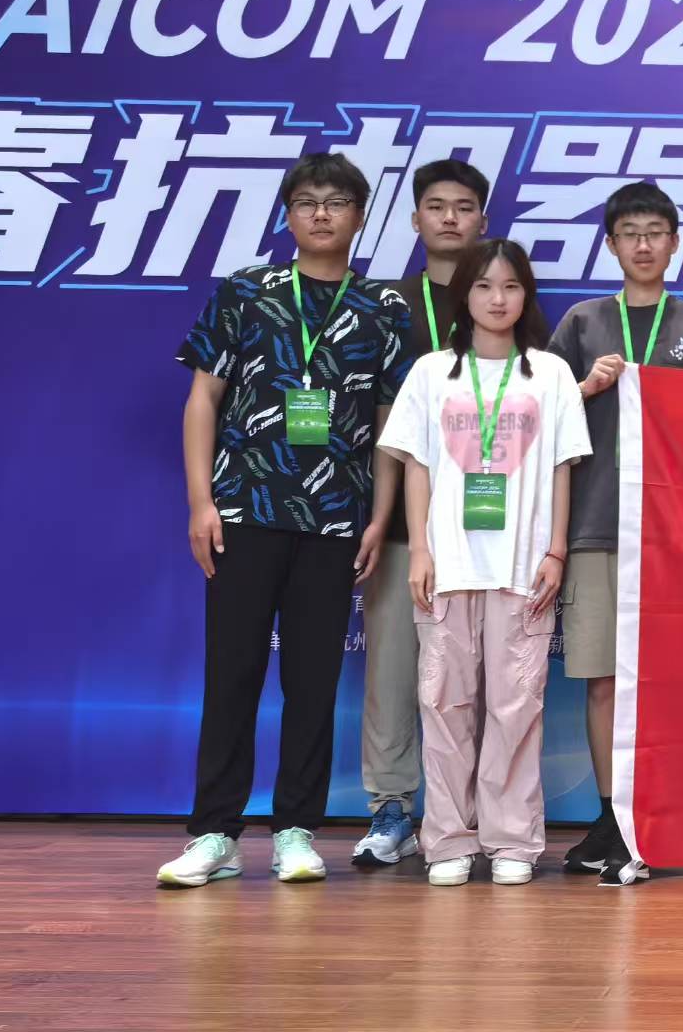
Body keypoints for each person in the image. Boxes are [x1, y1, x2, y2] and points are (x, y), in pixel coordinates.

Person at [159, 154, 412, 889]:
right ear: (288, 214)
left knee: (313, 682)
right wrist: (201, 501)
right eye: (306, 202)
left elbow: (389, 425)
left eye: (337, 202)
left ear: (360, 215)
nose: (321, 214)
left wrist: (378, 517)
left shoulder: (382, 308)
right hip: (244, 510)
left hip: (335, 520)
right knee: (231, 674)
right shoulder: (248, 291)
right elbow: (203, 399)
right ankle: (214, 834)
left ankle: (296, 831)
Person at [377, 239, 590, 887]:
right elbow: (415, 465)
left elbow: (561, 467)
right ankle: (446, 839)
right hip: (447, 565)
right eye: (484, 286)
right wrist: (420, 548)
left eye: (511, 286)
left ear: (527, 296)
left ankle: (512, 840)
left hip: (523, 567)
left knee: (517, 706)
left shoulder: (550, 374)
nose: (498, 299)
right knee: (444, 703)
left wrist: (555, 549)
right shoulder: (431, 372)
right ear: (464, 294)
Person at [545, 181, 683, 883]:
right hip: (595, 525)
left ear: (675, 243)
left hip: (672, 536)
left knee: (668, 681)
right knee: (601, 678)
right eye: (631, 233)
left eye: (656, 232)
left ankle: (659, 809)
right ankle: (610, 814)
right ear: (611, 243)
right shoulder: (582, 324)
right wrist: (583, 388)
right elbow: (538, 419)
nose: (644, 244)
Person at [352, 159, 493, 871]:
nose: (449, 218)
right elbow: (377, 421)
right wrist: (378, 515)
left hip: (487, 526)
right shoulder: (386, 303)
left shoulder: (501, 295)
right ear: (415, 220)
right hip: (404, 522)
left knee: (478, 680)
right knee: (392, 670)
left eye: (463, 207)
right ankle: (391, 808)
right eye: (435, 207)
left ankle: (471, 813)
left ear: (482, 220)